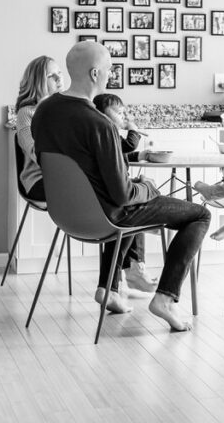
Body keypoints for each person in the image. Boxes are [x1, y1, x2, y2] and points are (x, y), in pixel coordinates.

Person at [32, 41, 209, 332]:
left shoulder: (44, 111)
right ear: (94, 73)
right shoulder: (99, 124)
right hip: (107, 216)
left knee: (128, 202)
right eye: (109, 69)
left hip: (65, 215)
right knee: (199, 214)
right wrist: (149, 187)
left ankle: (109, 289)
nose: (110, 75)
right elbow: (123, 195)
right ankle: (165, 298)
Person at [92, 92, 159, 294]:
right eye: (118, 112)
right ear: (101, 114)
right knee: (139, 202)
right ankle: (135, 269)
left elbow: (121, 152)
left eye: (124, 112)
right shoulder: (104, 132)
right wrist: (133, 130)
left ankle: (132, 271)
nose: (123, 115)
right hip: (112, 197)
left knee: (137, 200)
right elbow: (127, 145)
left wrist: (141, 155)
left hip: (114, 191)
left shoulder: (106, 134)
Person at [15, 56, 63, 202]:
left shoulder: (66, 109)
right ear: (37, 82)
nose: (58, 78)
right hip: (39, 181)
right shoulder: (27, 113)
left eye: (59, 73)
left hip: (66, 175)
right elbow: (36, 153)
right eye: (51, 76)